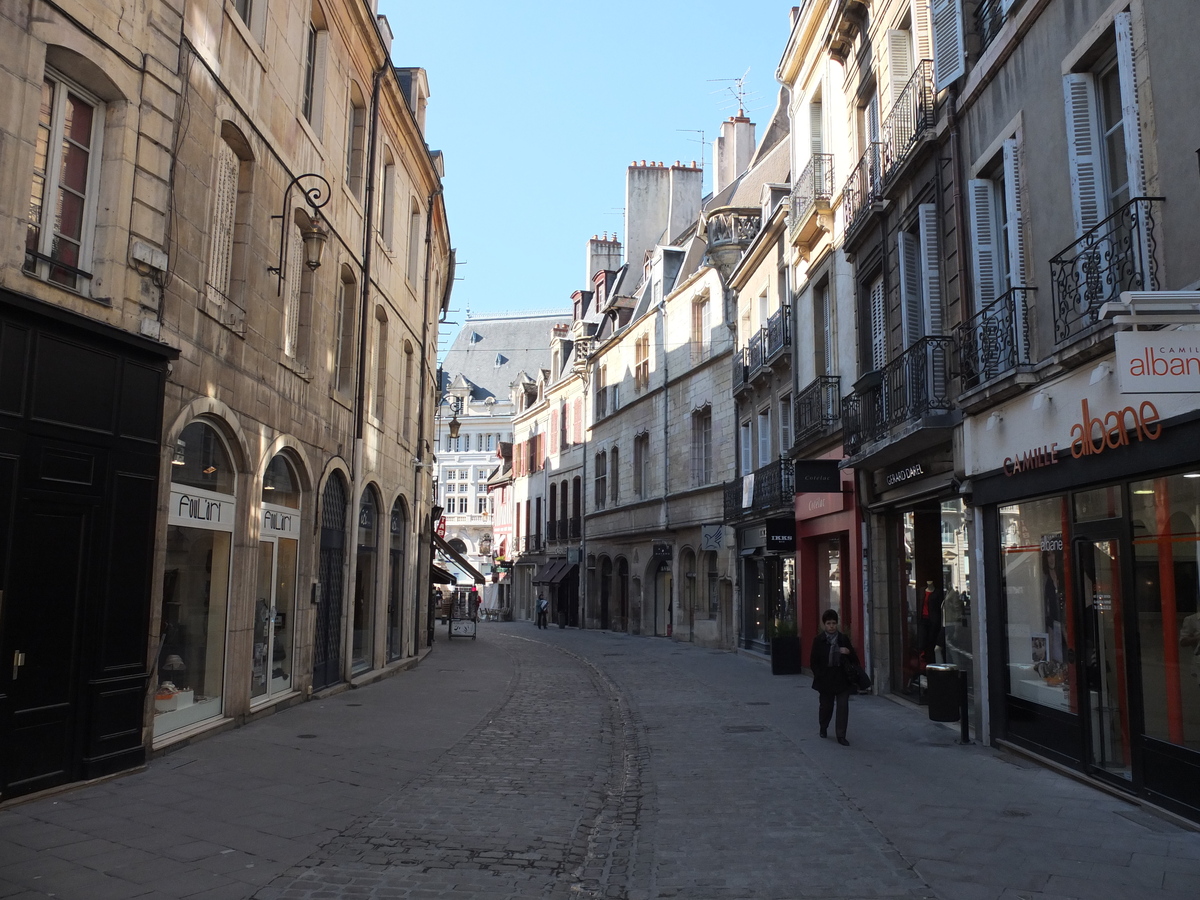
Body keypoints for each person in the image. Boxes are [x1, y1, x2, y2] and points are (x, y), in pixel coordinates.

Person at [810, 608, 858, 746]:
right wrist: (819, 675)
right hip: (826, 679)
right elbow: (814, 661)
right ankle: (823, 727)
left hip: (842, 678)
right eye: (829, 623)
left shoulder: (843, 639)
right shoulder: (819, 640)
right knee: (826, 706)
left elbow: (855, 659)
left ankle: (841, 735)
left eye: (834, 623)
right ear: (824, 625)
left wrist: (847, 651)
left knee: (843, 707)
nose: (831, 626)